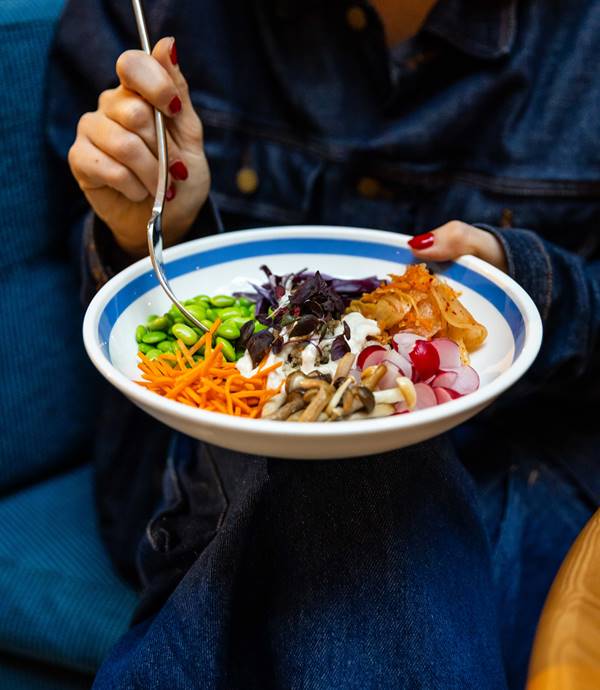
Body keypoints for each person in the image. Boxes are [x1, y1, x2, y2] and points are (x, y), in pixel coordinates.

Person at [48, 0, 599, 688]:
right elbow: (116, 305)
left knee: (366, 442)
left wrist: (532, 284)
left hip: (519, 473)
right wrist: (147, 228)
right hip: (203, 477)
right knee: (356, 437)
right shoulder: (150, 13)